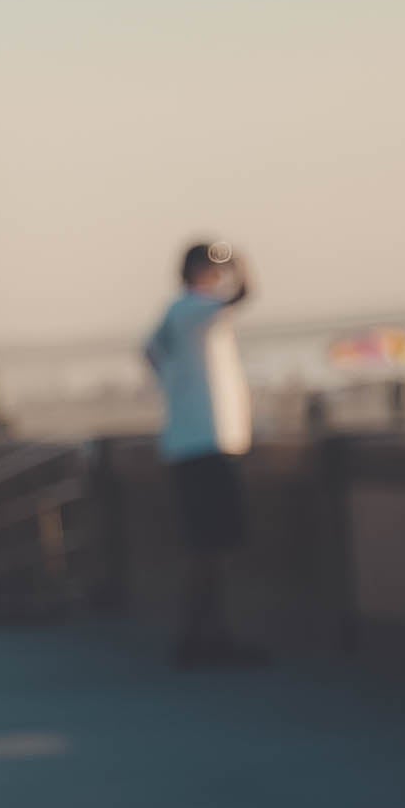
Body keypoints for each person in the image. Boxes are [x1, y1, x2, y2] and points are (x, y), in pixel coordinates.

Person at [143, 239, 266, 669]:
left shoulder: (176, 314)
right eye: (213, 267)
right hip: (207, 444)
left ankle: (200, 639)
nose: (218, 275)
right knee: (214, 548)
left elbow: (149, 351)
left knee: (205, 547)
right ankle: (207, 640)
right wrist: (241, 262)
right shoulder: (195, 308)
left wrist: (178, 392)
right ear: (197, 271)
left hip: (188, 442)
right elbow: (243, 296)